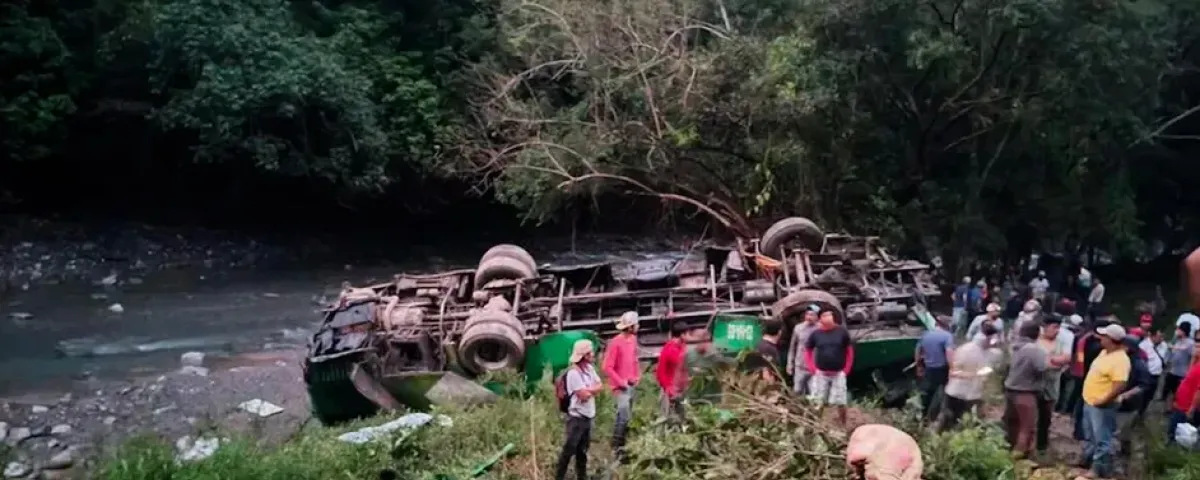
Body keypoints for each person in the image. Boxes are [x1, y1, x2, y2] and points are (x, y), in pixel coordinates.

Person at [1077, 324, 1130, 479]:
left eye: (1104, 336)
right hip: (1090, 401)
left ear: (1111, 340)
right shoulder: (1104, 353)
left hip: (1102, 406)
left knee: (1102, 439)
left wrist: (1104, 400)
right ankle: (1088, 461)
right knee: (1090, 435)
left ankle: (1097, 469)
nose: (1100, 338)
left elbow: (1120, 385)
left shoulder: (1120, 360)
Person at [555, 340, 603, 480]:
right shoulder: (573, 374)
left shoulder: (589, 369)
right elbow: (583, 395)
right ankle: (559, 476)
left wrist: (589, 390)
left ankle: (581, 476)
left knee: (582, 451)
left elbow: (599, 386)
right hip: (577, 418)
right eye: (590, 352)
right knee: (568, 451)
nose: (593, 354)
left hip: (588, 416)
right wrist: (590, 390)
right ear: (584, 355)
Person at [939, 323, 1000, 432]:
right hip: (959, 393)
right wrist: (974, 375)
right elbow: (954, 371)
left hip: (971, 394)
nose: (996, 341)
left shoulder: (990, 352)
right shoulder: (967, 350)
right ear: (987, 337)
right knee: (950, 420)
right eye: (994, 339)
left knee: (964, 423)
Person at [1004, 321, 1049, 459]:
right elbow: (1041, 369)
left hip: (1010, 390)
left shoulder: (1014, 346)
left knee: (1012, 423)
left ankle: (1007, 450)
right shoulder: (1035, 350)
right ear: (1037, 334)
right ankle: (1018, 458)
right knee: (1026, 427)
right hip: (1026, 392)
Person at [806, 308, 855, 426]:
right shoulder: (815, 334)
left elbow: (849, 351)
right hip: (821, 373)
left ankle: (843, 424)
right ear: (820, 320)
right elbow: (808, 350)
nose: (828, 319)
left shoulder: (842, 332)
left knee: (841, 401)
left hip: (838, 373)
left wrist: (847, 368)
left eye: (830, 316)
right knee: (818, 401)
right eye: (825, 316)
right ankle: (816, 424)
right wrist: (811, 367)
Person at [601, 311, 640, 459]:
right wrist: (620, 382)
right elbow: (607, 367)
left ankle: (624, 446)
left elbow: (634, 359)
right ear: (630, 327)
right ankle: (617, 448)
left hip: (631, 384)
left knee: (628, 416)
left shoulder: (633, 340)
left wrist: (637, 376)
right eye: (636, 324)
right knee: (622, 416)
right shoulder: (615, 342)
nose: (638, 326)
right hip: (620, 386)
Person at [1035, 316, 1071, 457]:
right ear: (1045, 326)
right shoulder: (1036, 340)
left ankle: (1042, 445)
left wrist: (1051, 360)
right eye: (1054, 327)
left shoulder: (1061, 342)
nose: (1056, 331)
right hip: (1035, 384)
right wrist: (1052, 361)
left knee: (1046, 416)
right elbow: (1039, 363)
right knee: (1031, 415)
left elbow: (1066, 359)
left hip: (1052, 384)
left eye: (1058, 328)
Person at [1115, 336, 1153, 463]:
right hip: (1117, 403)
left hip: (1129, 406)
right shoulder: (1122, 360)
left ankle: (1123, 462)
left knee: (1121, 434)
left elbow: (1144, 385)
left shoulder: (1138, 364)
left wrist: (1126, 395)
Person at [916, 314, 954, 421]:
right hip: (942, 369)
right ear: (946, 325)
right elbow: (949, 353)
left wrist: (919, 366)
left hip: (928, 368)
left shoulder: (925, 334)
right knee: (944, 391)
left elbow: (918, 351)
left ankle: (923, 416)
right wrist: (952, 369)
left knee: (927, 392)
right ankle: (941, 415)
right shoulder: (947, 336)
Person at [656, 321, 690, 422]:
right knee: (666, 418)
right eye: (687, 333)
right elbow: (660, 372)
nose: (689, 336)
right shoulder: (670, 349)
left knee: (681, 417)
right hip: (669, 389)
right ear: (682, 335)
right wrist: (668, 388)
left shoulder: (682, 345)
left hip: (679, 388)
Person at [787, 305, 821, 394]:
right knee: (798, 391)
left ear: (817, 317)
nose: (809, 317)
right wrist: (789, 364)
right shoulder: (798, 328)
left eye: (812, 315)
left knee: (813, 393)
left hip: (814, 367)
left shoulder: (821, 329)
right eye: (807, 314)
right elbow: (792, 347)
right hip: (800, 367)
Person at [1167, 359, 1200, 444]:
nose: (1196, 349)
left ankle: (1174, 446)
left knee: (1179, 430)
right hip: (1181, 403)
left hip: (1186, 407)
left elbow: (1198, 392)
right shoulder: (1196, 363)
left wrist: (1191, 409)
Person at [1163, 323, 1195, 401]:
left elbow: (1192, 356)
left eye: (1178, 329)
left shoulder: (1190, 343)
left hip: (1182, 372)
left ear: (1183, 331)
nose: (1176, 331)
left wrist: (1189, 370)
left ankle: (1171, 407)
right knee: (1167, 389)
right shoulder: (1177, 340)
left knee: (1176, 392)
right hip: (1172, 370)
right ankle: (1166, 405)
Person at [1139, 327, 1167, 415]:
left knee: (1151, 395)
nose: (1161, 339)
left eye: (1162, 337)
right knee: (1142, 395)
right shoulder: (1143, 346)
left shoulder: (1164, 345)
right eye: (1159, 337)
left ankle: (1143, 411)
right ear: (1152, 336)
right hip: (1146, 375)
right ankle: (1138, 411)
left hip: (1157, 375)